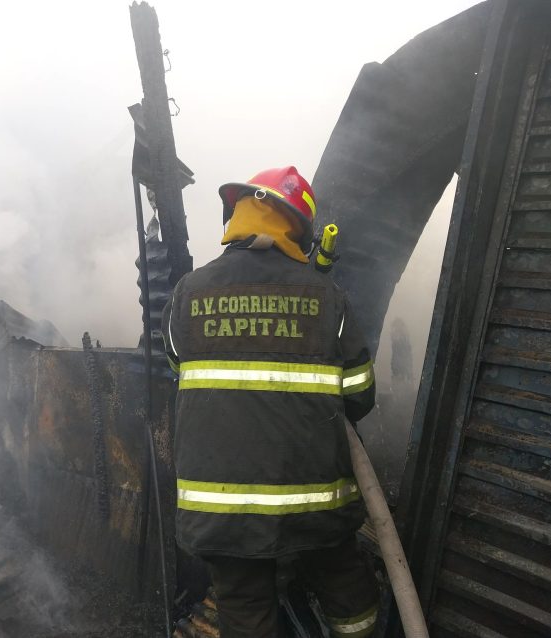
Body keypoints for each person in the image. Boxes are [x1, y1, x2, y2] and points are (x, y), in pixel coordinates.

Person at [162, 167, 379, 638]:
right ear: (298, 229)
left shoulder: (186, 294)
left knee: (244, 607)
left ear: (236, 217)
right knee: (344, 586)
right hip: (315, 503)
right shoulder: (327, 296)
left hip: (222, 509)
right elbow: (360, 396)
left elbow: (181, 371)